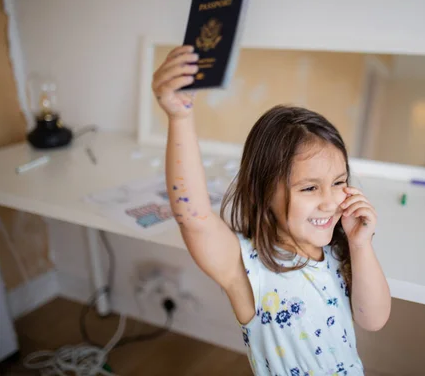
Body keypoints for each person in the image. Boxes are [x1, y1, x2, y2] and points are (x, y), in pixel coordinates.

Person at [152, 45, 391, 375]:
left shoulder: (338, 251)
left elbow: (374, 319)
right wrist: (180, 117)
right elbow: (195, 218)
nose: (329, 200)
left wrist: (361, 245)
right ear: (264, 193)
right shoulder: (250, 269)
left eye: (338, 182)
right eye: (309, 187)